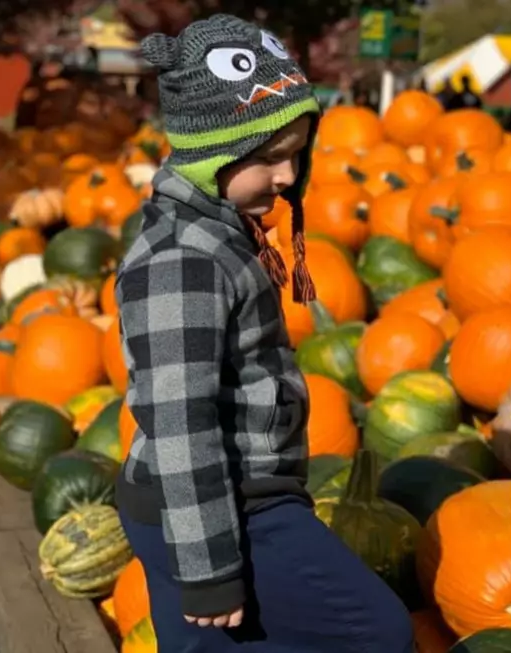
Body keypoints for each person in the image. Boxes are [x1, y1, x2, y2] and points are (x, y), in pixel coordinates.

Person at [116, 15, 414, 653]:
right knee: (378, 634)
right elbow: (181, 420)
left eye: (296, 155)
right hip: (221, 509)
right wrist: (210, 569)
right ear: (210, 153)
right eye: (268, 158)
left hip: (212, 504)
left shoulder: (214, 231)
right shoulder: (181, 263)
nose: (286, 177)